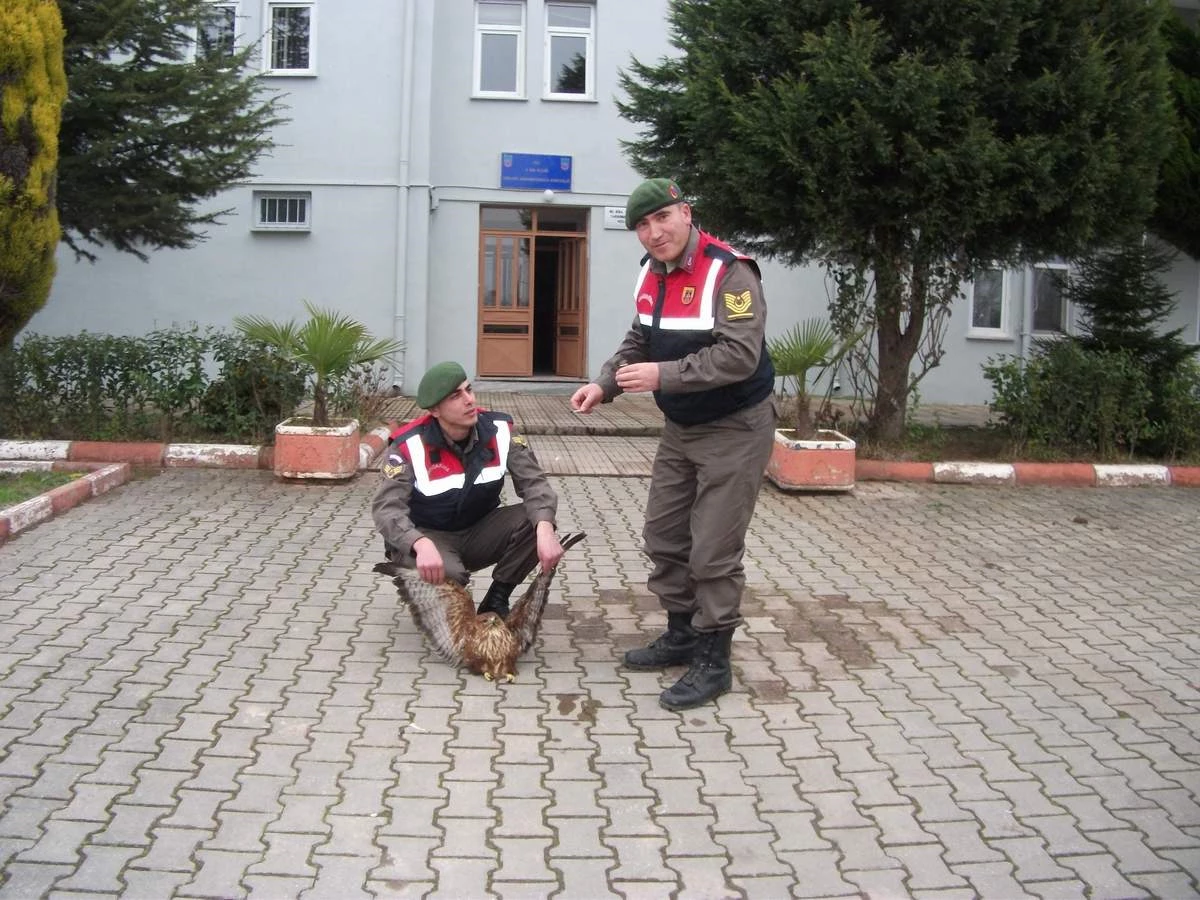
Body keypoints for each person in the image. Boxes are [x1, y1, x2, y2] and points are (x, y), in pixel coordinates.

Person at [570, 178, 776, 711]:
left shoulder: (730, 272)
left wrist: (663, 376)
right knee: (663, 538)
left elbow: (738, 357)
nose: (653, 232)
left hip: (735, 427)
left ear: (685, 213)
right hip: (681, 428)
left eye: (662, 218)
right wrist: (606, 382)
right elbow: (639, 339)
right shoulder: (650, 273)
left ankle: (714, 659)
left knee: (712, 551)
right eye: (642, 225)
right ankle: (682, 632)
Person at [373, 361, 564, 618]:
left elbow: (535, 483)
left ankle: (497, 599)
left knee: (538, 520)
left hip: (478, 531)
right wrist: (417, 542)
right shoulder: (409, 446)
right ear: (435, 410)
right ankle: (428, 588)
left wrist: (545, 529)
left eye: (468, 390)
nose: (469, 400)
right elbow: (387, 509)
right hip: (429, 537)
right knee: (449, 575)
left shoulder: (499, 431)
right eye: (456, 396)